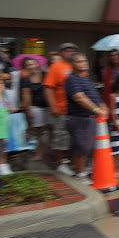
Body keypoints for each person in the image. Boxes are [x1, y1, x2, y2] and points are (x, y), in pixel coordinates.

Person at [65, 52, 108, 184]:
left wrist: (103, 106)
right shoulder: (72, 79)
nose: (83, 64)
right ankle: (80, 174)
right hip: (79, 117)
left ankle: (84, 170)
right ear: (72, 64)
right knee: (82, 147)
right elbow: (79, 97)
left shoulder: (86, 78)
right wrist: (97, 109)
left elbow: (95, 96)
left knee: (87, 147)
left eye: (84, 61)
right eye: (79, 61)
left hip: (89, 118)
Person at [43, 42, 78, 175]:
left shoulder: (77, 66)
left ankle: (71, 162)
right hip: (61, 109)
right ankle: (59, 164)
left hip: (76, 110)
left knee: (73, 138)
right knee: (60, 137)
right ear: (61, 53)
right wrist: (53, 106)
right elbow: (48, 87)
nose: (70, 52)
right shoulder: (55, 67)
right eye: (66, 50)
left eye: (72, 50)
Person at [20, 57, 49, 162]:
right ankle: (39, 152)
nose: (32, 66)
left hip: (49, 106)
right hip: (36, 107)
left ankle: (46, 151)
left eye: (33, 64)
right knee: (39, 131)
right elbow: (26, 95)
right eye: (28, 65)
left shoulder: (45, 74)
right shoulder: (25, 79)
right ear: (25, 67)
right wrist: (28, 109)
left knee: (49, 130)